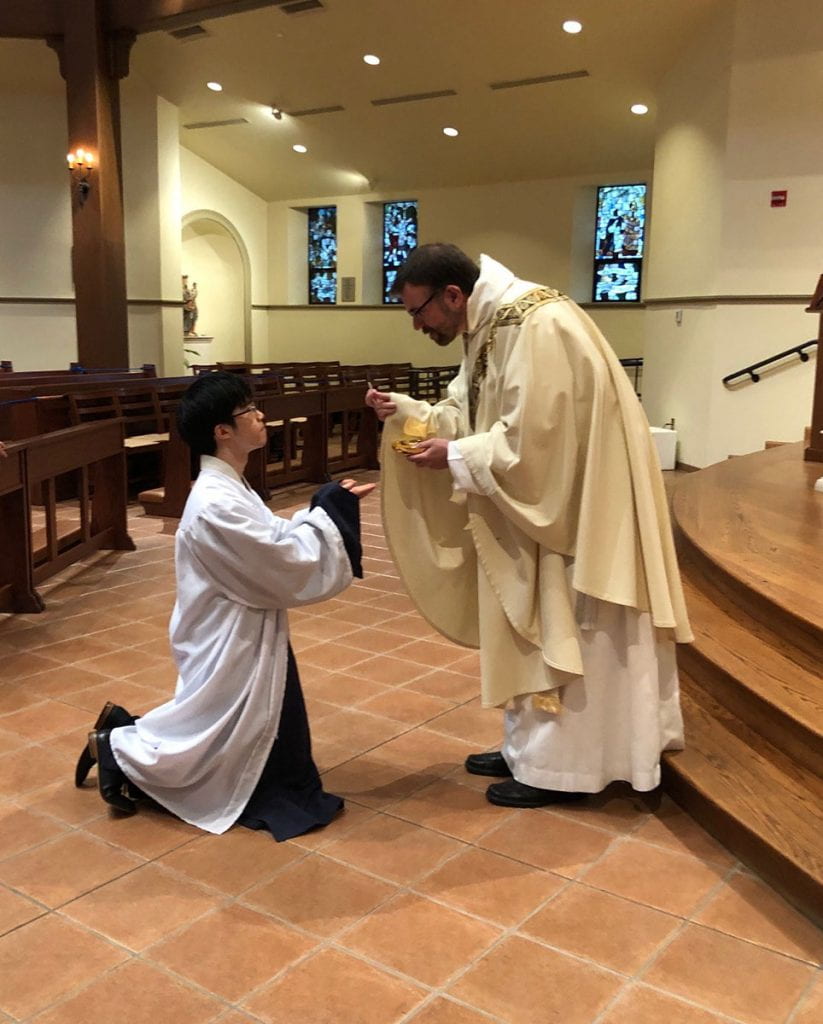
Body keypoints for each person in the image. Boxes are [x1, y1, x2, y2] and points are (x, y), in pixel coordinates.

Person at [366, 243, 692, 808]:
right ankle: (529, 751)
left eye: (420, 312)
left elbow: (537, 448)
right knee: (528, 625)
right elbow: (472, 414)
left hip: (574, 517)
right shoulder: (493, 325)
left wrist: (458, 455)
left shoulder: (537, 324)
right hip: (541, 513)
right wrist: (406, 412)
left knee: (569, 625)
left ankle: (567, 767)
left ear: (453, 295)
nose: (418, 326)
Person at [76, 371, 375, 839]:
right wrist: (327, 512)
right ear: (222, 431)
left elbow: (268, 537)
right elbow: (278, 560)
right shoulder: (215, 500)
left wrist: (321, 510)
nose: (260, 415)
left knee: (251, 718)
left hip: (243, 622)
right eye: (248, 411)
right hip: (227, 631)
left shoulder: (230, 485)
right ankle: (118, 749)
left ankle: (124, 735)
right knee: (211, 730)